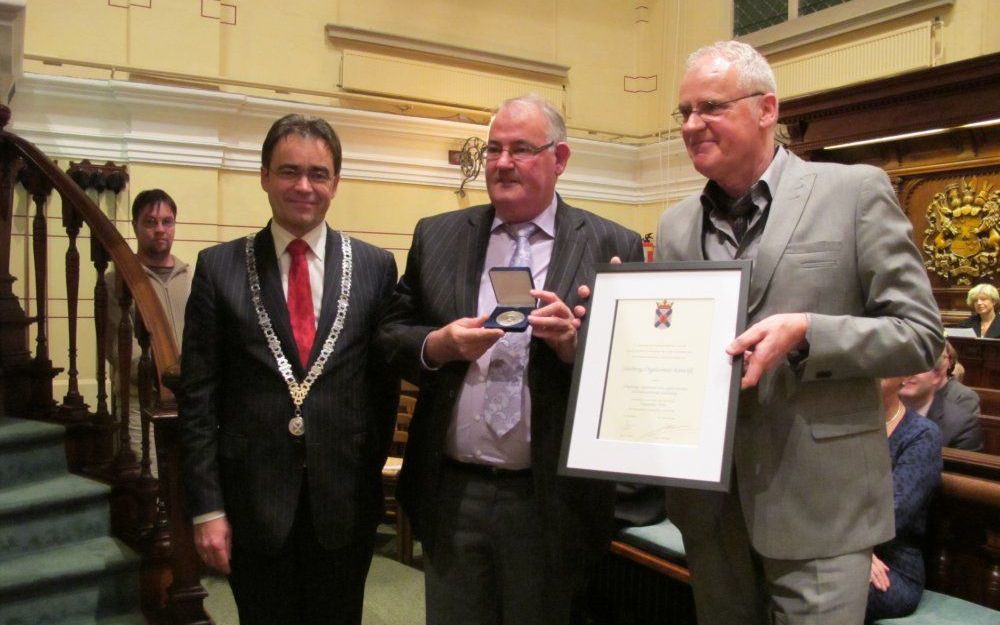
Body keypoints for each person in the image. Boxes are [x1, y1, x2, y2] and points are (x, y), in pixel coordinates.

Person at [654, 41, 943, 625]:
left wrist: (809, 332)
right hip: (710, 507)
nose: (691, 125)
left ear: (766, 109)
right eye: (683, 112)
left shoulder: (854, 191)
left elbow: (919, 335)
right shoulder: (676, 224)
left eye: (709, 107)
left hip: (821, 505)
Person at [378, 94, 644, 625]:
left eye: (521, 149)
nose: (502, 163)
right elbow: (390, 335)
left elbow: (631, 375)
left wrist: (573, 349)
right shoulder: (438, 236)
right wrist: (441, 345)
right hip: (452, 493)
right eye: (494, 149)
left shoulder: (613, 244)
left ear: (559, 158)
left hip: (550, 500)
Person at [177, 114, 399, 625]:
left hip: (344, 508)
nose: (304, 186)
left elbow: (382, 390)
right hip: (253, 506)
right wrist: (208, 508)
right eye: (289, 171)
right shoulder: (220, 267)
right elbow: (198, 401)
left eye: (319, 174)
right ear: (264, 176)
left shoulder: (374, 267)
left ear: (336, 183)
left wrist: (366, 479)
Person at [105, 188, 192, 474]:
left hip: (187, 402)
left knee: (186, 488)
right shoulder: (117, 281)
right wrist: (165, 375)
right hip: (138, 404)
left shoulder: (192, 279)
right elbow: (119, 352)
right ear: (135, 226)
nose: (160, 230)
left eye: (167, 222)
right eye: (151, 222)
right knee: (148, 486)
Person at [866, 377, 942, 623]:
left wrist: (852, 556)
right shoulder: (840, 426)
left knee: (823, 589)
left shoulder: (921, 434)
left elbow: (893, 513)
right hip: (837, 552)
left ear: (904, 374)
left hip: (893, 569)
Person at [899, 353, 984, 451]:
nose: (908, 373)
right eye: (901, 365)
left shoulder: (962, 425)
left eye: (918, 366)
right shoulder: (880, 411)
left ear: (937, 376)